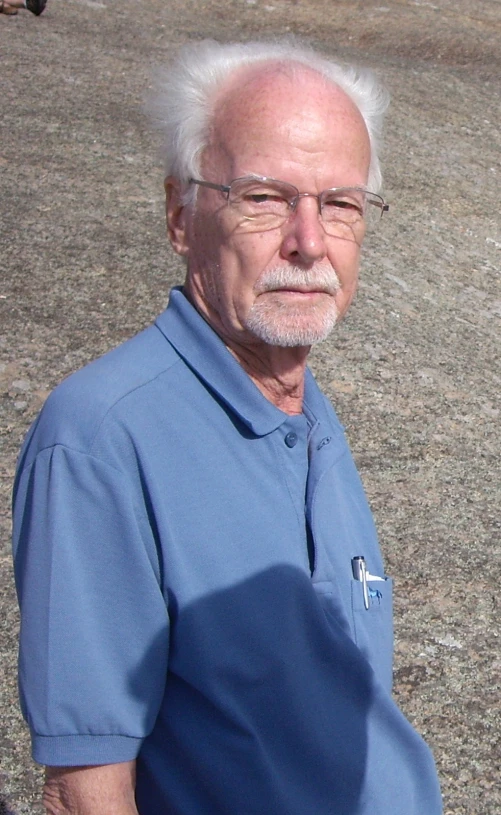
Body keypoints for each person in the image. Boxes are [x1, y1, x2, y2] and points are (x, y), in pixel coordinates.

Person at [12, 39, 443, 815]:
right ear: (182, 216)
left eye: (339, 203)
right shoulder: (101, 439)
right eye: (265, 197)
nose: (308, 241)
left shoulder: (300, 400)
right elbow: (85, 791)